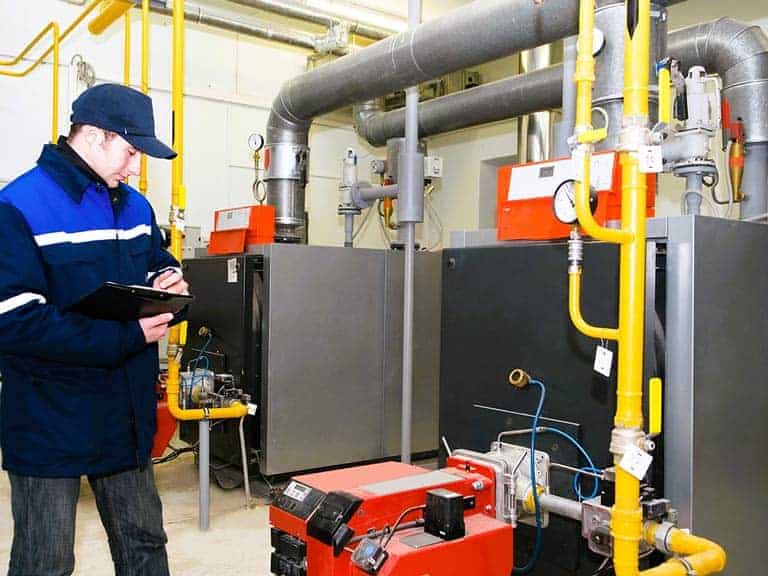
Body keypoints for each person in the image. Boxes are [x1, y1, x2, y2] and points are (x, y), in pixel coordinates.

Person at [0, 83, 188, 576]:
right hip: (49, 420)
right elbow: (16, 321)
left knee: (144, 546)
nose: (135, 167)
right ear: (96, 136)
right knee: (45, 560)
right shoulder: (19, 206)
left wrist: (167, 281)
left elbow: (154, 264)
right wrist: (126, 338)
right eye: (130, 151)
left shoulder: (135, 207)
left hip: (121, 418)